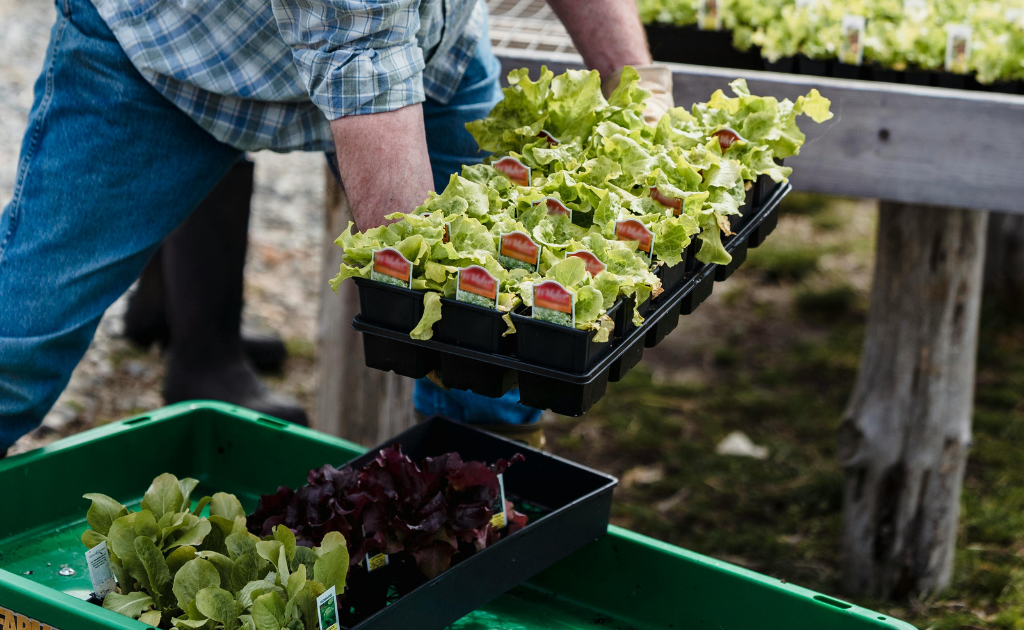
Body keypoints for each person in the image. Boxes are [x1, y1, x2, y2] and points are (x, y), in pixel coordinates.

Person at [0, 0, 673, 457]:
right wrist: (427, 285)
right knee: (23, 342)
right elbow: (364, 59)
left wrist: (639, 89)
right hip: (176, 49)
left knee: (497, 355)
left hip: (425, 51)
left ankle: (475, 519)